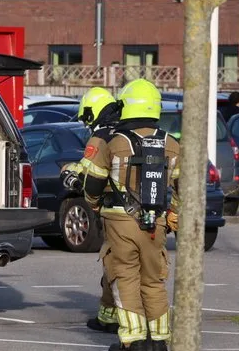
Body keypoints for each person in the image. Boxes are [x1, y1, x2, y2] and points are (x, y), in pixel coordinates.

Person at [75, 79, 180, 351]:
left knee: (126, 277)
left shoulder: (114, 142)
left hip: (120, 220)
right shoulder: (171, 143)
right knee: (154, 279)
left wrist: (94, 204)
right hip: (156, 221)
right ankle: (159, 341)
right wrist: (173, 215)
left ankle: (133, 341)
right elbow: (183, 186)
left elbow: (94, 182)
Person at [60, 87, 122, 334]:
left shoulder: (101, 137)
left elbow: (91, 173)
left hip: (115, 212)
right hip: (148, 211)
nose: (86, 123)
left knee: (115, 266)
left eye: (87, 117)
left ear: (92, 113)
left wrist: (71, 175)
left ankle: (113, 319)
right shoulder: (131, 133)